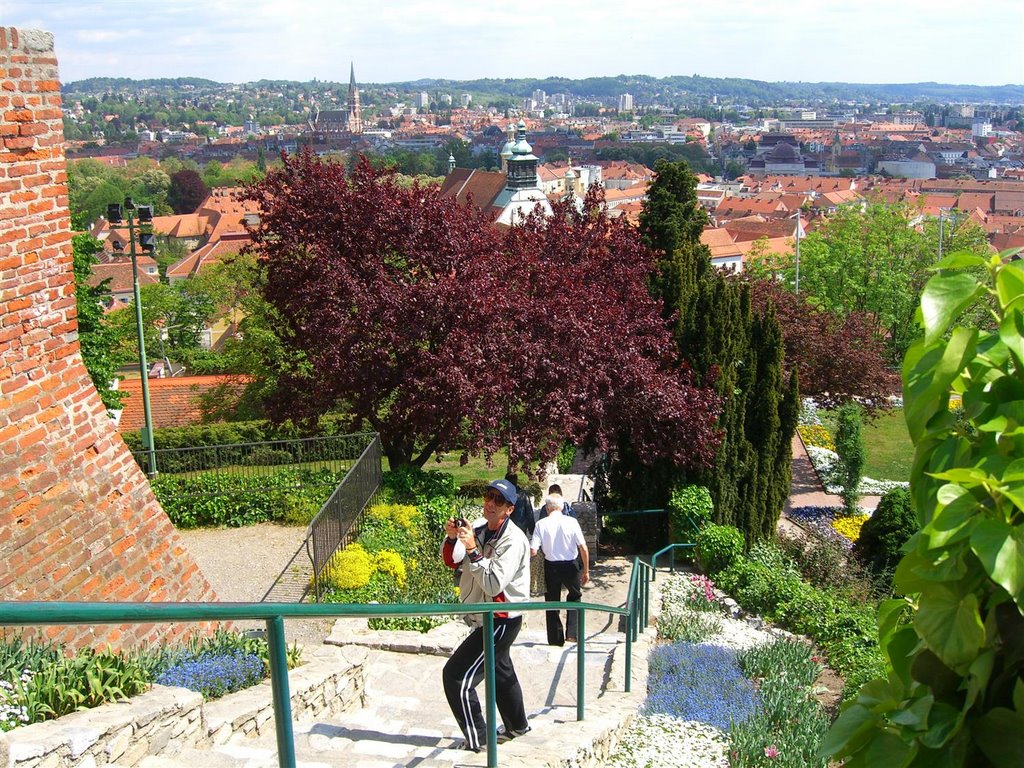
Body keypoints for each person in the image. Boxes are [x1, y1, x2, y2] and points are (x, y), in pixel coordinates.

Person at [440, 478, 532, 752]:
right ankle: (518, 726)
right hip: (489, 616)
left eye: (499, 500)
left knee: (456, 677)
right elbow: (451, 561)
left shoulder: (513, 540)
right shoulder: (480, 530)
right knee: (500, 671)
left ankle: (480, 740)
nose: (490, 503)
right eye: (489, 496)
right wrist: (453, 537)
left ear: (509, 509)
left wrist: (472, 549)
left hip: (500, 618)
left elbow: (493, 584)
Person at [531, 493, 590, 646]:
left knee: (551, 602)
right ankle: (572, 634)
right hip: (571, 565)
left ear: (547, 507)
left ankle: (555, 639)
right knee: (575, 596)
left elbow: (533, 551)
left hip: (551, 566)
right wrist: (586, 570)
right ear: (562, 507)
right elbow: (583, 548)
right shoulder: (572, 522)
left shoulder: (541, 524)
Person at [505, 472, 536, 538]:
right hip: (521, 527)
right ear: (516, 481)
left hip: (505, 527)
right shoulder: (523, 494)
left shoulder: (503, 495)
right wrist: (532, 529)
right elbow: (529, 512)